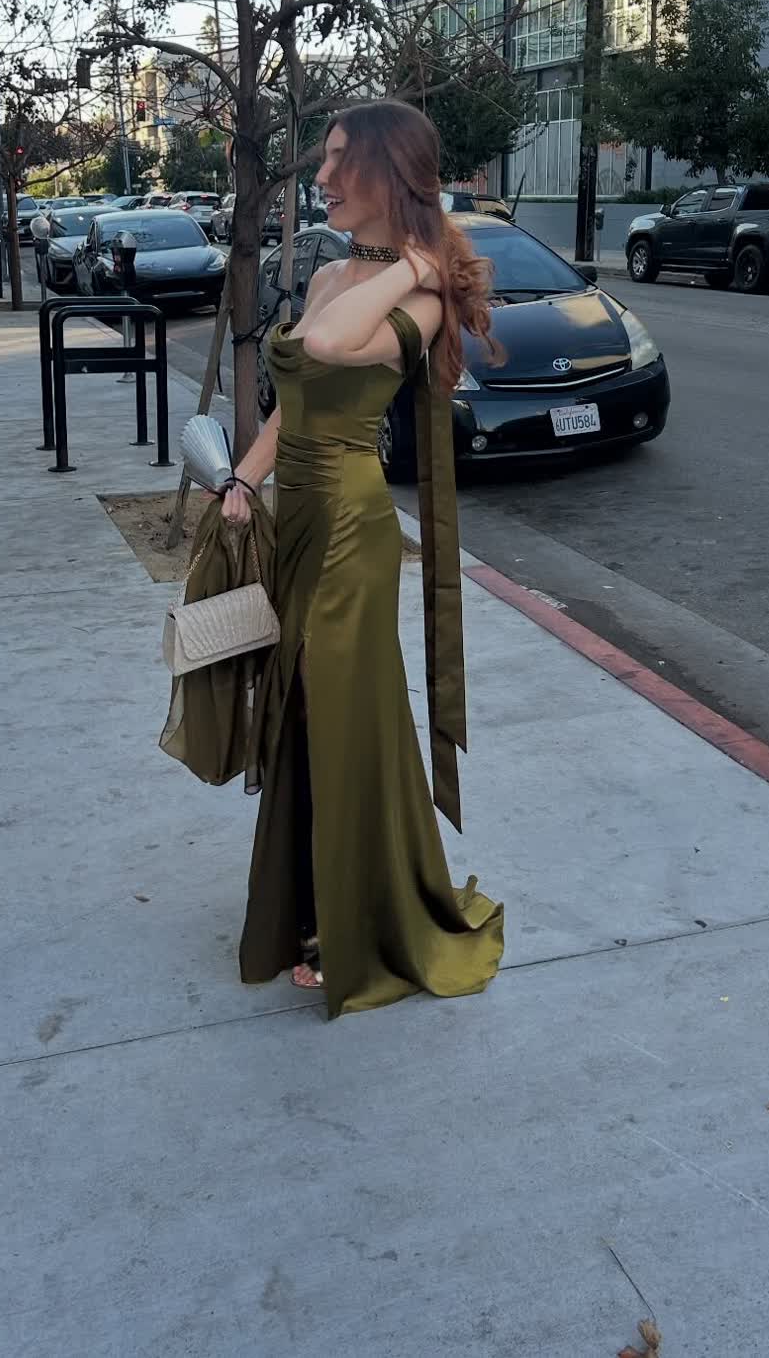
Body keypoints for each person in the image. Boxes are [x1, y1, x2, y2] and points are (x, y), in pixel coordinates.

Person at [219, 101, 505, 1018]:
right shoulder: (334, 272)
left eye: (340, 160)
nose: (322, 177)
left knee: (337, 711)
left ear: (390, 173)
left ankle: (356, 922)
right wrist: (243, 477)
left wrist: (420, 261)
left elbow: (328, 346)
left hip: (350, 527)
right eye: (323, 159)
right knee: (301, 711)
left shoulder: (420, 298)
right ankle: (312, 903)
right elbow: (292, 400)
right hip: (297, 517)